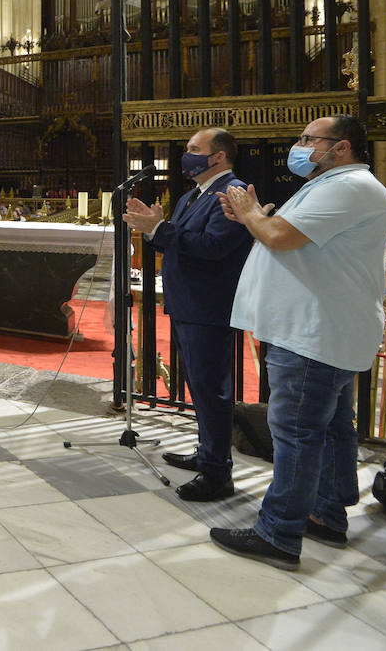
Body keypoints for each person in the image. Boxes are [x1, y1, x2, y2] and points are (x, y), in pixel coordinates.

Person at [210, 114, 386, 570]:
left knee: (295, 433)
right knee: (330, 427)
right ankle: (326, 512)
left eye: (308, 139)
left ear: (342, 147)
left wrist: (255, 217)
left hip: (313, 332)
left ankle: (278, 534)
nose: (300, 145)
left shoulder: (349, 187)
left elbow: (280, 236)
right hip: (320, 327)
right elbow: (286, 234)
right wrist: (251, 217)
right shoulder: (334, 184)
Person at [123, 127, 253, 502]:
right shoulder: (190, 196)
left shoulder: (233, 193)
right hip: (187, 303)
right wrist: (154, 230)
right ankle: (208, 451)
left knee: (211, 389)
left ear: (219, 157)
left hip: (209, 306)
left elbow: (213, 247)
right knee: (198, 385)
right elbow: (177, 241)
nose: (187, 154)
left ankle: (217, 473)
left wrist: (159, 229)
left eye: (195, 149)